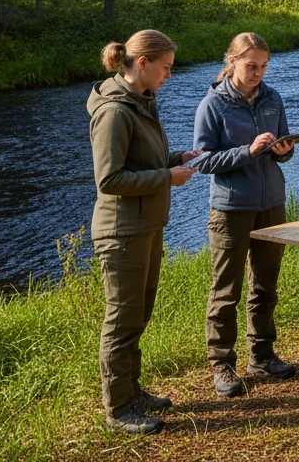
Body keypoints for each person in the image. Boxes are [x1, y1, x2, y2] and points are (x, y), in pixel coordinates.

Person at [89, 30, 199, 435]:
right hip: (122, 231)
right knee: (122, 319)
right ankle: (118, 409)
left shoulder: (141, 103)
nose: (169, 75)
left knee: (139, 314)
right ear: (141, 64)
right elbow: (110, 179)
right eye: (165, 67)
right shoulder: (115, 112)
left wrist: (175, 159)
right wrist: (166, 177)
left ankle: (133, 391)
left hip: (146, 226)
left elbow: (140, 162)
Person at [194, 32, 296, 397]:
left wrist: (283, 150)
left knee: (266, 287)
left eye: (264, 65)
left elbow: (284, 148)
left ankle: (263, 354)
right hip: (231, 209)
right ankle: (221, 363)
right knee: (227, 291)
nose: (258, 73)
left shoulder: (273, 97)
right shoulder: (213, 105)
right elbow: (202, 160)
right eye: (251, 65)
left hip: (272, 204)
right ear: (232, 62)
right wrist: (246, 152)